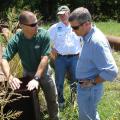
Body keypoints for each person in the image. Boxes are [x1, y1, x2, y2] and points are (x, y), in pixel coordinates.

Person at [1, 11, 59, 120]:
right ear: (22, 25)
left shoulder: (44, 35)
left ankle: (54, 117)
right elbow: (4, 59)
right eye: (33, 25)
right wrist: (9, 77)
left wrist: (36, 78)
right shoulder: (17, 39)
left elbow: (45, 58)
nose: (36, 26)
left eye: (37, 23)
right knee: (30, 100)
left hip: (45, 72)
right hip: (28, 73)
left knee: (52, 99)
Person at [69, 7, 118, 120]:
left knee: (87, 117)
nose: (73, 30)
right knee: (90, 115)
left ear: (87, 24)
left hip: (89, 89)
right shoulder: (87, 36)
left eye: (75, 27)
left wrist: (92, 82)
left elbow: (111, 71)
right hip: (87, 88)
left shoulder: (96, 42)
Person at [48, 5, 81, 108]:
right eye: (60, 15)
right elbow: (45, 41)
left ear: (69, 13)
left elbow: (83, 39)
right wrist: (51, 49)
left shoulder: (76, 25)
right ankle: (61, 101)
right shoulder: (54, 28)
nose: (62, 16)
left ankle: (74, 101)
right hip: (60, 59)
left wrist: (81, 52)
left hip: (75, 58)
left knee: (75, 80)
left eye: (64, 14)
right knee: (59, 81)